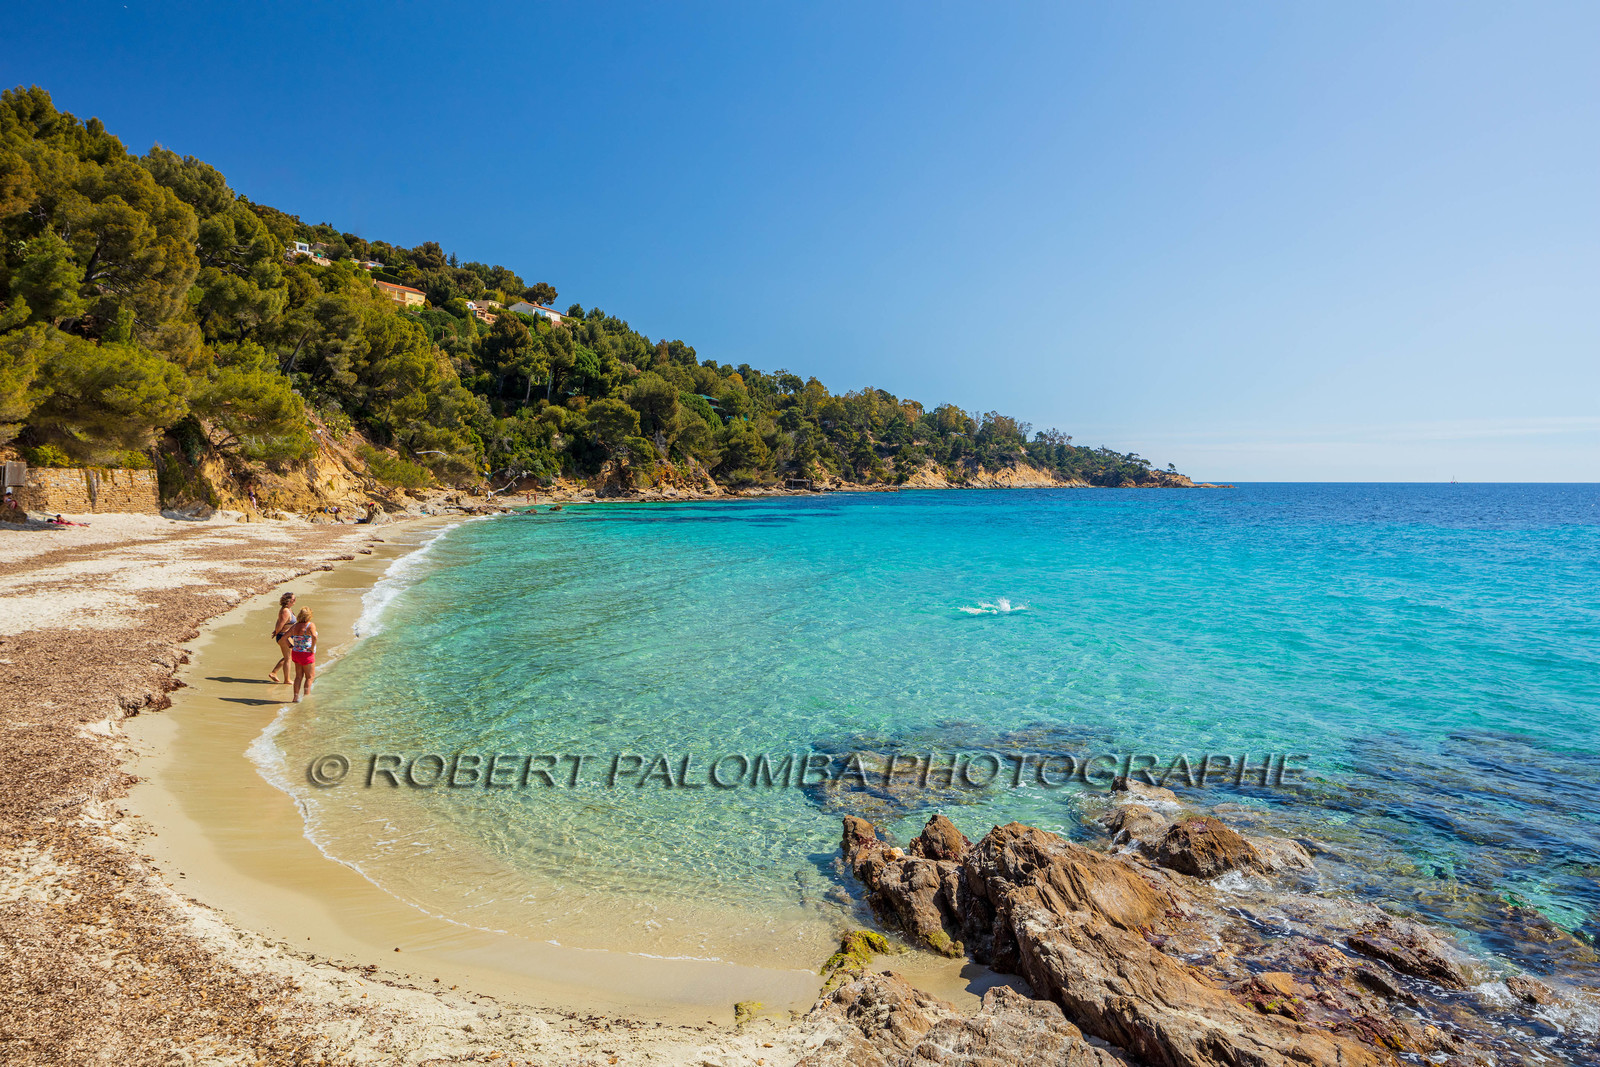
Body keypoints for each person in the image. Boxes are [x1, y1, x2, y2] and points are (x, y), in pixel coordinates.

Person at [289, 608, 318, 703]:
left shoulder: (295, 626)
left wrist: (291, 646)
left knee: (298, 676)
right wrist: (312, 647)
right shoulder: (310, 625)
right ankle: (306, 697)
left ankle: (295, 697)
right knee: (309, 677)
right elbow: (314, 636)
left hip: (296, 653)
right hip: (306, 653)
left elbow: (285, 637)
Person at [268, 591, 297, 682]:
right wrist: (276, 632)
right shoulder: (285, 611)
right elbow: (280, 624)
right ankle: (286, 679)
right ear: (288, 601)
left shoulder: (288, 609)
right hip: (284, 636)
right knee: (288, 658)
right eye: (293, 599)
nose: (295, 601)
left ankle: (274, 673)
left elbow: (279, 622)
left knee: (288, 657)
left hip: (287, 636)